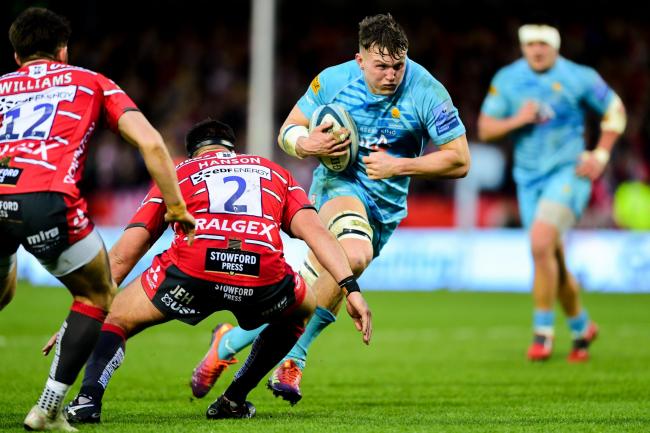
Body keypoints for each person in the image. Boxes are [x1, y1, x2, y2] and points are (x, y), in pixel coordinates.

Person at [189, 13, 470, 404]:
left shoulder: (426, 90)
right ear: (360, 60)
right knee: (352, 255)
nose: (391, 75)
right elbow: (289, 130)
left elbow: (460, 160)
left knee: (323, 281)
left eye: (398, 66)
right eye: (381, 66)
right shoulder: (334, 81)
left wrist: (400, 165)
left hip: (385, 208)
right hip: (338, 186)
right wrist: (308, 145)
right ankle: (295, 357)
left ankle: (231, 340)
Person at [60, 118, 372, 423]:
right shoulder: (274, 171)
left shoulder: (179, 172)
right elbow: (317, 233)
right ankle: (233, 400)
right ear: (232, 150)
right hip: (261, 273)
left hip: (194, 269)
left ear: (194, 152)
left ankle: (88, 400)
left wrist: (84, 310)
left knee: (116, 317)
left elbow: (124, 254)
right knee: (301, 309)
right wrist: (350, 288)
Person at [0, 7, 195, 431]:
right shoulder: (92, 82)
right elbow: (153, 143)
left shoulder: (1, 86)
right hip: (45, 198)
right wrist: (177, 208)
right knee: (96, 294)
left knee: (3, 293)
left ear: (17, 56)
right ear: (63, 51)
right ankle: (49, 408)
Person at [477, 19, 626, 362]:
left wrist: (601, 154)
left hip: (568, 174)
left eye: (543, 44)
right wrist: (518, 119)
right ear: (523, 47)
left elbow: (615, 111)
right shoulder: (508, 79)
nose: (537, 50)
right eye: (531, 44)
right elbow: (485, 129)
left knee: (541, 242)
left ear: (556, 47)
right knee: (551, 256)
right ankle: (582, 326)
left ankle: (542, 334)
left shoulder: (579, 76)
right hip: (529, 181)